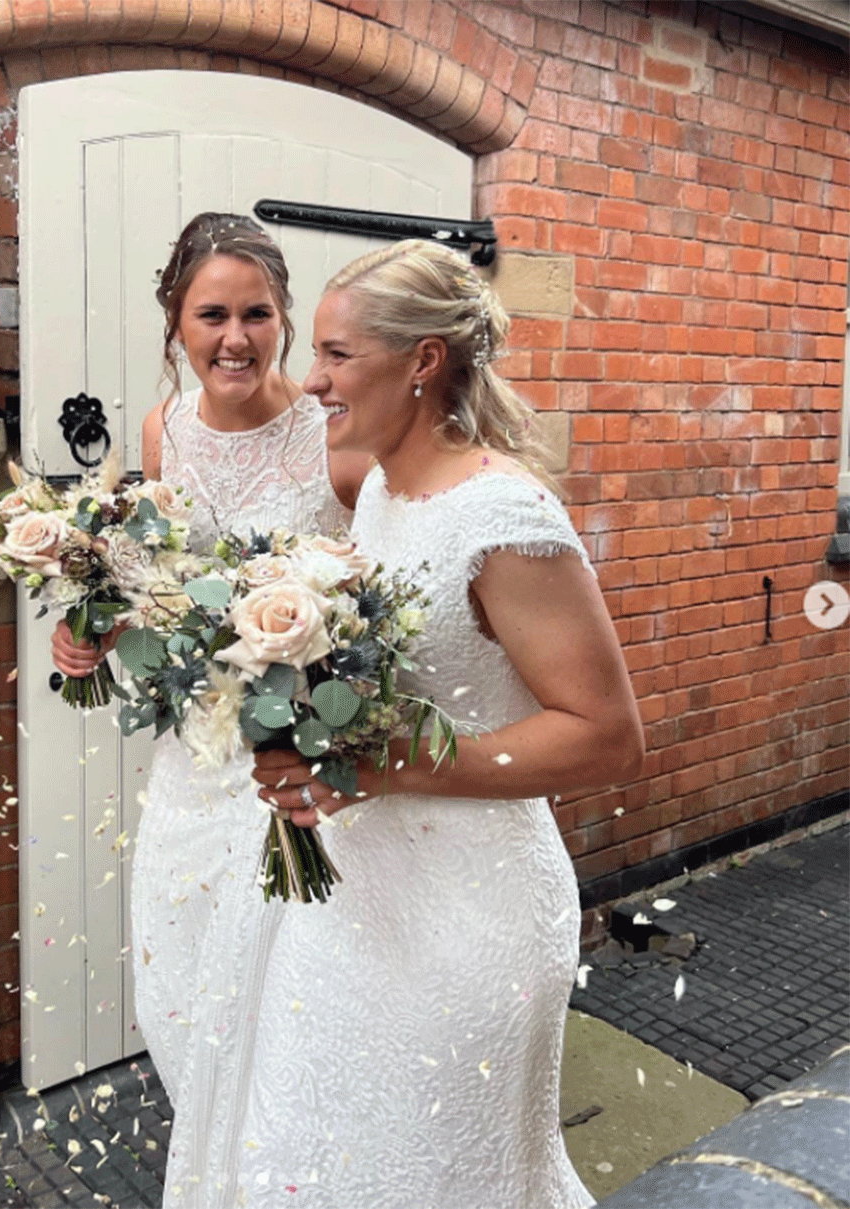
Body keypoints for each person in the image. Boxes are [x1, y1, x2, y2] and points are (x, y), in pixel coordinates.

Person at [234, 239, 645, 1208]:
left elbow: (606, 735)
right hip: (353, 902)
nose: (312, 378)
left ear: (423, 361)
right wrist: (300, 736)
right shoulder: (379, 487)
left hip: (471, 922)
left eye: (337, 354)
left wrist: (379, 767)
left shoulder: (505, 514)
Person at [49, 213, 371, 1193]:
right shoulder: (163, 429)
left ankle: (302, 1176)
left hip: (297, 755)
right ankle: (230, 1166)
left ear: (282, 318)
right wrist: (93, 625)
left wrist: (325, 686)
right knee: (185, 975)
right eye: (212, 314)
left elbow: (375, 584)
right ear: (176, 325)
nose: (235, 336)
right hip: (197, 751)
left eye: (257, 313)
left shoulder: (335, 430)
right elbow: (161, 573)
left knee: (294, 984)